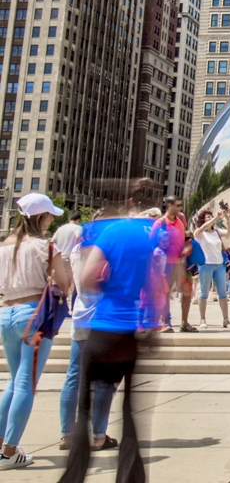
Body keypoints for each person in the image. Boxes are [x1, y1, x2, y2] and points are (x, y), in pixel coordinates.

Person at [60, 177, 166, 483]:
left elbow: (90, 280)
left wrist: (107, 279)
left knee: (84, 408)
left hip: (104, 327)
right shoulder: (155, 234)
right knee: (131, 413)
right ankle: (130, 478)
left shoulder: (112, 232)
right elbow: (161, 283)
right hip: (133, 331)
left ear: (127, 203)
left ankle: (74, 475)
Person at [0, 192, 66, 469]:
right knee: (26, 383)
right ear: (41, 218)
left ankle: (4, 445)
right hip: (33, 317)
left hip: (6, 313)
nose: (51, 219)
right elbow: (65, 283)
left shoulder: (4, 245)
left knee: (14, 382)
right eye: (50, 215)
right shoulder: (45, 247)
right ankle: (9, 451)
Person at [53, 211, 114, 456]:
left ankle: (67, 433)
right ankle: (98, 436)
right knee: (104, 380)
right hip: (105, 321)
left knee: (74, 376)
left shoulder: (77, 251)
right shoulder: (106, 253)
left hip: (81, 317)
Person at [193, 208, 230, 329]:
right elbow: (201, 230)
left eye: (211, 216)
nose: (210, 218)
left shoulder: (216, 232)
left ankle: (226, 320)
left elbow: (229, 231)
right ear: (203, 220)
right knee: (204, 293)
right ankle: (202, 319)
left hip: (219, 264)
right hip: (206, 265)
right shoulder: (200, 233)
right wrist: (215, 218)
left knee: (223, 293)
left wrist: (227, 218)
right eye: (208, 217)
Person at [159, 197, 191, 332]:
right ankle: (165, 322)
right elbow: (152, 243)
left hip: (181, 263)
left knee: (187, 292)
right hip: (166, 264)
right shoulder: (160, 223)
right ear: (169, 206)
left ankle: (184, 323)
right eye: (177, 206)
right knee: (165, 293)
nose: (180, 208)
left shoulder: (181, 221)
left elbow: (186, 239)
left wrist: (187, 247)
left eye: (180, 206)